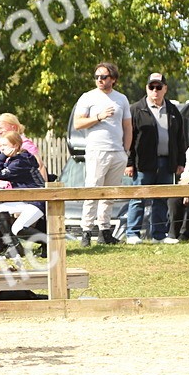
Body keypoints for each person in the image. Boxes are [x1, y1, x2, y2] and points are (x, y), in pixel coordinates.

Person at [72, 62, 132, 245]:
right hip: (97, 150)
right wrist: (99, 117)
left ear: (113, 79)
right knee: (93, 190)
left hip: (117, 152)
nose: (99, 79)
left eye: (103, 77)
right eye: (97, 76)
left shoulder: (121, 99)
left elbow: (128, 126)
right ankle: (86, 231)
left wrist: (126, 150)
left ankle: (105, 232)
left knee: (110, 193)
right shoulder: (88, 97)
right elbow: (77, 124)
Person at [125, 72, 187, 243]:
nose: (155, 91)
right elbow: (129, 139)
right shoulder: (136, 109)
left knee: (161, 199)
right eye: (151, 87)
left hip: (167, 162)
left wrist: (180, 162)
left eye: (159, 87)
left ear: (165, 89)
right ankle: (132, 233)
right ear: (147, 88)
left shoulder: (173, 110)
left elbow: (180, 139)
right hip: (143, 163)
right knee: (138, 197)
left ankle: (159, 235)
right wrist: (129, 163)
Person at [0, 131, 45, 259]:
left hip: (38, 200)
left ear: (15, 146)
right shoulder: (16, 159)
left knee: (18, 229)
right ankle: (14, 247)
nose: (1, 148)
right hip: (27, 200)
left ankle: (49, 243)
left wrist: (1, 156)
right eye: (0, 146)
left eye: (4, 145)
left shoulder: (20, 161)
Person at [0, 113, 48, 181]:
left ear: (14, 127)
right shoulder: (0, 146)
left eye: (1, 128)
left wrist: (42, 189)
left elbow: (40, 166)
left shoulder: (24, 144)